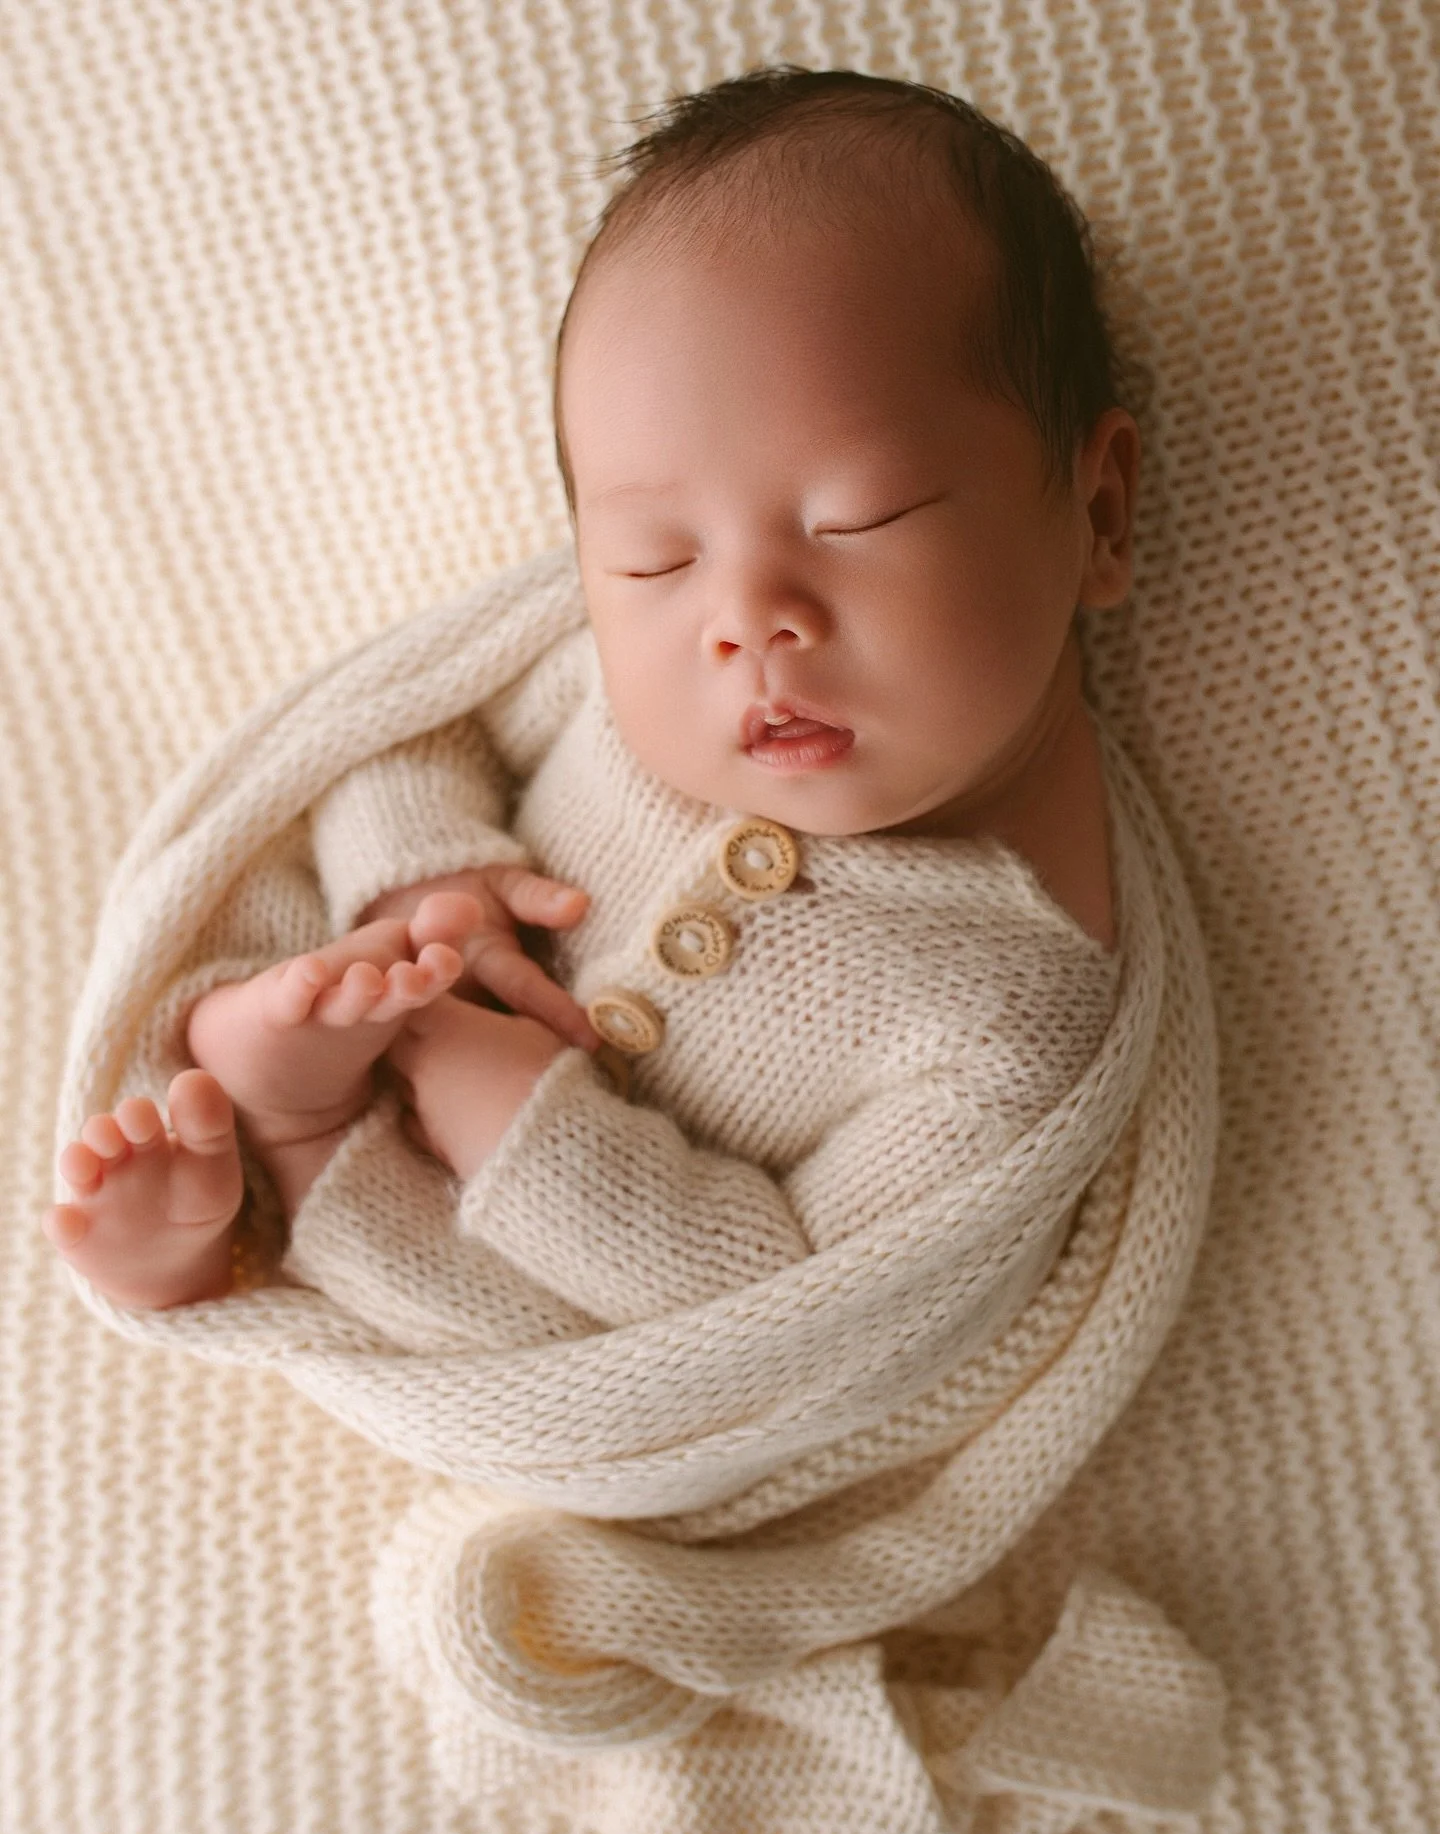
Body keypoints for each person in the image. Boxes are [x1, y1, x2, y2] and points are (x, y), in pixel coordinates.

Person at [42, 63, 1139, 1315]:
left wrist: (501, 1107)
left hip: (533, 1295)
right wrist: (427, 876)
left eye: (857, 520)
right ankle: (235, 1160)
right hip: (385, 987)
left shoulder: (1015, 1007)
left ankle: (277, 1164)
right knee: (285, 974)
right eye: (654, 558)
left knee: (445, 1290)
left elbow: (780, 1307)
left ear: (1097, 513)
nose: (743, 620)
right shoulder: (610, 686)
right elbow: (408, 734)